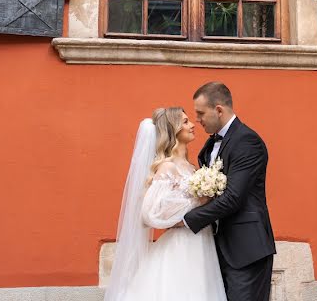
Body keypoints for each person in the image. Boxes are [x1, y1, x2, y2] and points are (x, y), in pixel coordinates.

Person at [104, 107, 226, 301]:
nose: (192, 125)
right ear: (173, 129)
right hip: (182, 246)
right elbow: (150, 214)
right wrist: (196, 203)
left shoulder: (192, 166)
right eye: (185, 122)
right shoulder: (167, 167)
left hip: (202, 243)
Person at [183, 82, 276, 301]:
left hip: (246, 250)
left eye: (200, 113)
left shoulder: (247, 141)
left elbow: (233, 197)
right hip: (218, 248)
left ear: (219, 110)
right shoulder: (210, 145)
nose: (197, 120)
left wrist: (186, 220)